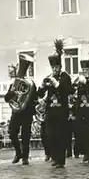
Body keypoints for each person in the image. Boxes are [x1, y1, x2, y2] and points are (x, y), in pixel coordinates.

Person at [37, 39, 74, 168]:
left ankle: (60, 160)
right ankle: (53, 157)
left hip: (61, 111)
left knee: (60, 136)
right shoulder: (48, 76)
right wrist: (42, 86)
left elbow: (69, 90)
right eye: (53, 67)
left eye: (56, 67)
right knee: (50, 135)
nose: (55, 69)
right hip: (50, 111)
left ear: (60, 67)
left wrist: (57, 84)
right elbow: (40, 94)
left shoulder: (65, 77)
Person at [4, 53, 37, 165]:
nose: (20, 72)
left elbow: (35, 98)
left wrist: (29, 103)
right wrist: (13, 92)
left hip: (27, 113)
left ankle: (25, 157)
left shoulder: (30, 84)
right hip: (16, 112)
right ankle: (18, 152)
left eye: (23, 70)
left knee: (25, 135)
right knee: (12, 132)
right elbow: (6, 98)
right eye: (20, 70)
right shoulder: (13, 84)